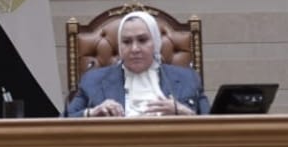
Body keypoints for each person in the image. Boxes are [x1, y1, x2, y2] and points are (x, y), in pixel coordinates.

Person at [66, 11, 209, 117]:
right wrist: (92, 113)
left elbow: (212, 124)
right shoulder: (93, 80)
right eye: (127, 42)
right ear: (119, 46)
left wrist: (185, 112)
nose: (134, 49)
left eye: (142, 40)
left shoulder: (188, 78)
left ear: (156, 43)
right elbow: (64, 121)